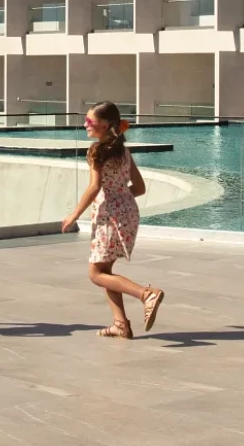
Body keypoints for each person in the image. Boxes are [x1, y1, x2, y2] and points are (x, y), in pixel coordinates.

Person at [60, 101, 165, 338]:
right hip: (128, 213)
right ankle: (120, 324)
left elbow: (94, 187)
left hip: (109, 217)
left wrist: (74, 214)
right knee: (106, 269)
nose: (85, 125)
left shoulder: (96, 151)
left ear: (105, 125)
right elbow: (139, 187)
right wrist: (121, 198)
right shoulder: (123, 151)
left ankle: (146, 294)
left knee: (95, 273)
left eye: (90, 122)